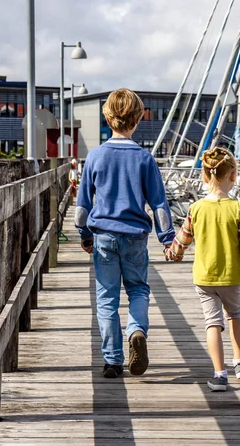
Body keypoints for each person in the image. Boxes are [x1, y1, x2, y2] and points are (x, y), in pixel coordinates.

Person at [75, 88, 175, 379]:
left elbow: (82, 206)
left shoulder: (95, 157)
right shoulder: (144, 159)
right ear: (138, 120)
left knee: (106, 297)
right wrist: (167, 239)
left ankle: (112, 360)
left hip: (104, 236)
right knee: (139, 290)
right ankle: (136, 331)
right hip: (135, 237)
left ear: (107, 119)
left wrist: (84, 234)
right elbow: (159, 204)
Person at [165, 146, 240, 392]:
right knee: (235, 316)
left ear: (205, 176)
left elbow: (183, 239)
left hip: (204, 278)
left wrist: (173, 254)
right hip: (231, 276)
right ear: (233, 176)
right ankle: (239, 362)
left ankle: (220, 374)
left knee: (212, 324)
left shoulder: (196, 209)